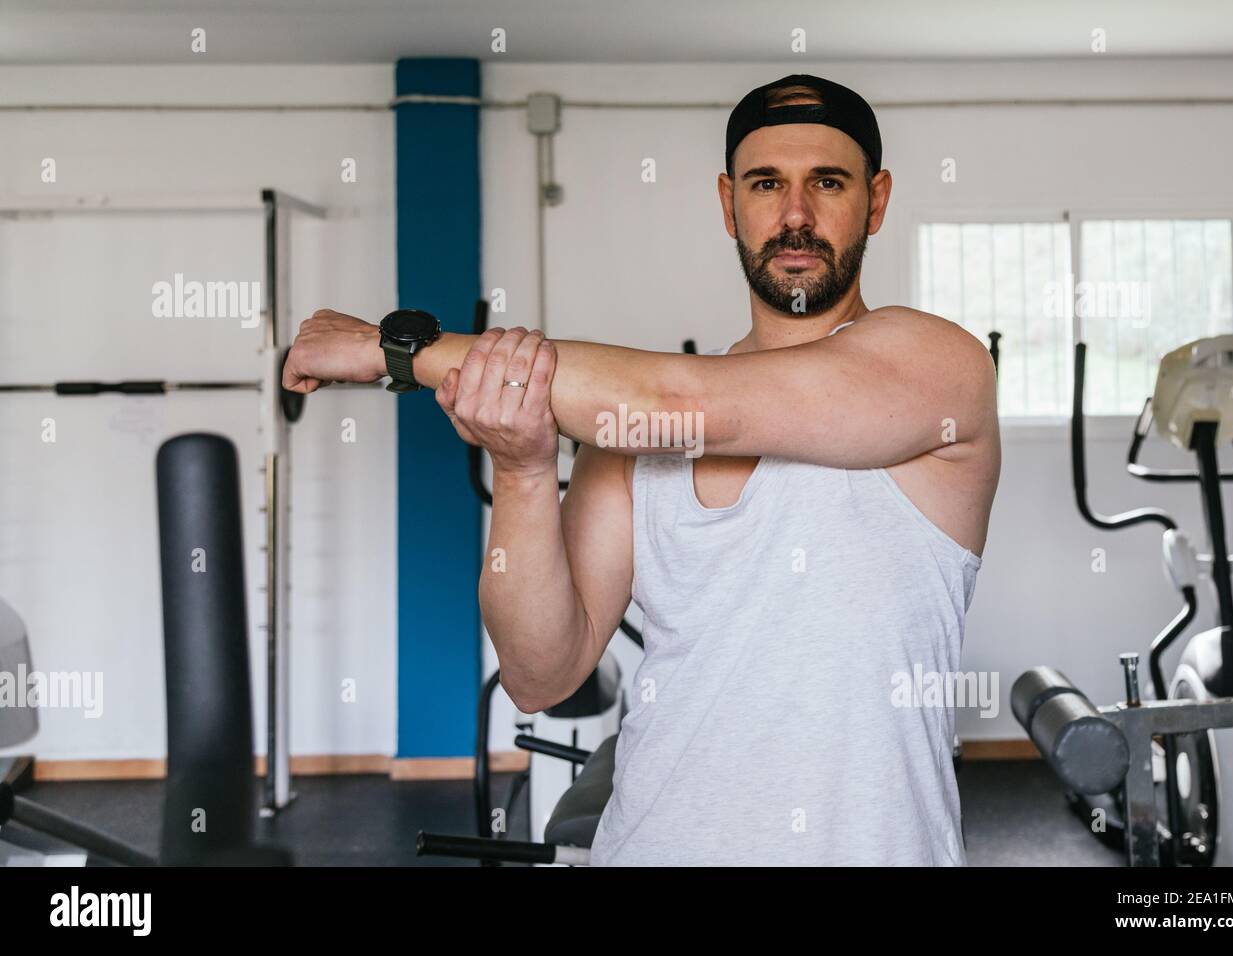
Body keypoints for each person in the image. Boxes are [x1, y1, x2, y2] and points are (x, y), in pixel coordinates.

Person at [283, 74, 1001, 865]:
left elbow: (685, 397)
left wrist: (393, 350)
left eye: (827, 182)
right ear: (730, 205)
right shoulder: (623, 431)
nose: (796, 215)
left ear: (877, 201)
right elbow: (538, 674)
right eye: (768, 184)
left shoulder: (941, 367)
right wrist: (523, 470)